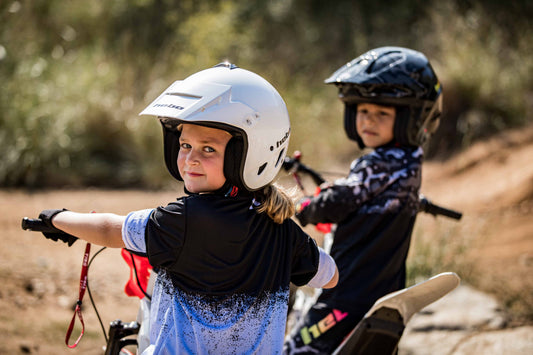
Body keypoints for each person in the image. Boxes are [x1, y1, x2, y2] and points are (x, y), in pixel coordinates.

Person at [33, 63, 339, 354]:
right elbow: (330, 277)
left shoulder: (184, 220)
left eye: (208, 149)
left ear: (250, 153)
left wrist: (58, 218)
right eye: (185, 145)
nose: (191, 158)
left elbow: (110, 229)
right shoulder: (280, 227)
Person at [284, 47, 443, 354]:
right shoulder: (410, 162)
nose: (369, 120)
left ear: (410, 118)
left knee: (299, 348)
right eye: (363, 111)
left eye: (382, 113)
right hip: (382, 294)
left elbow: (335, 203)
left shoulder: (378, 164)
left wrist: (304, 207)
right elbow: (381, 192)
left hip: (345, 295)